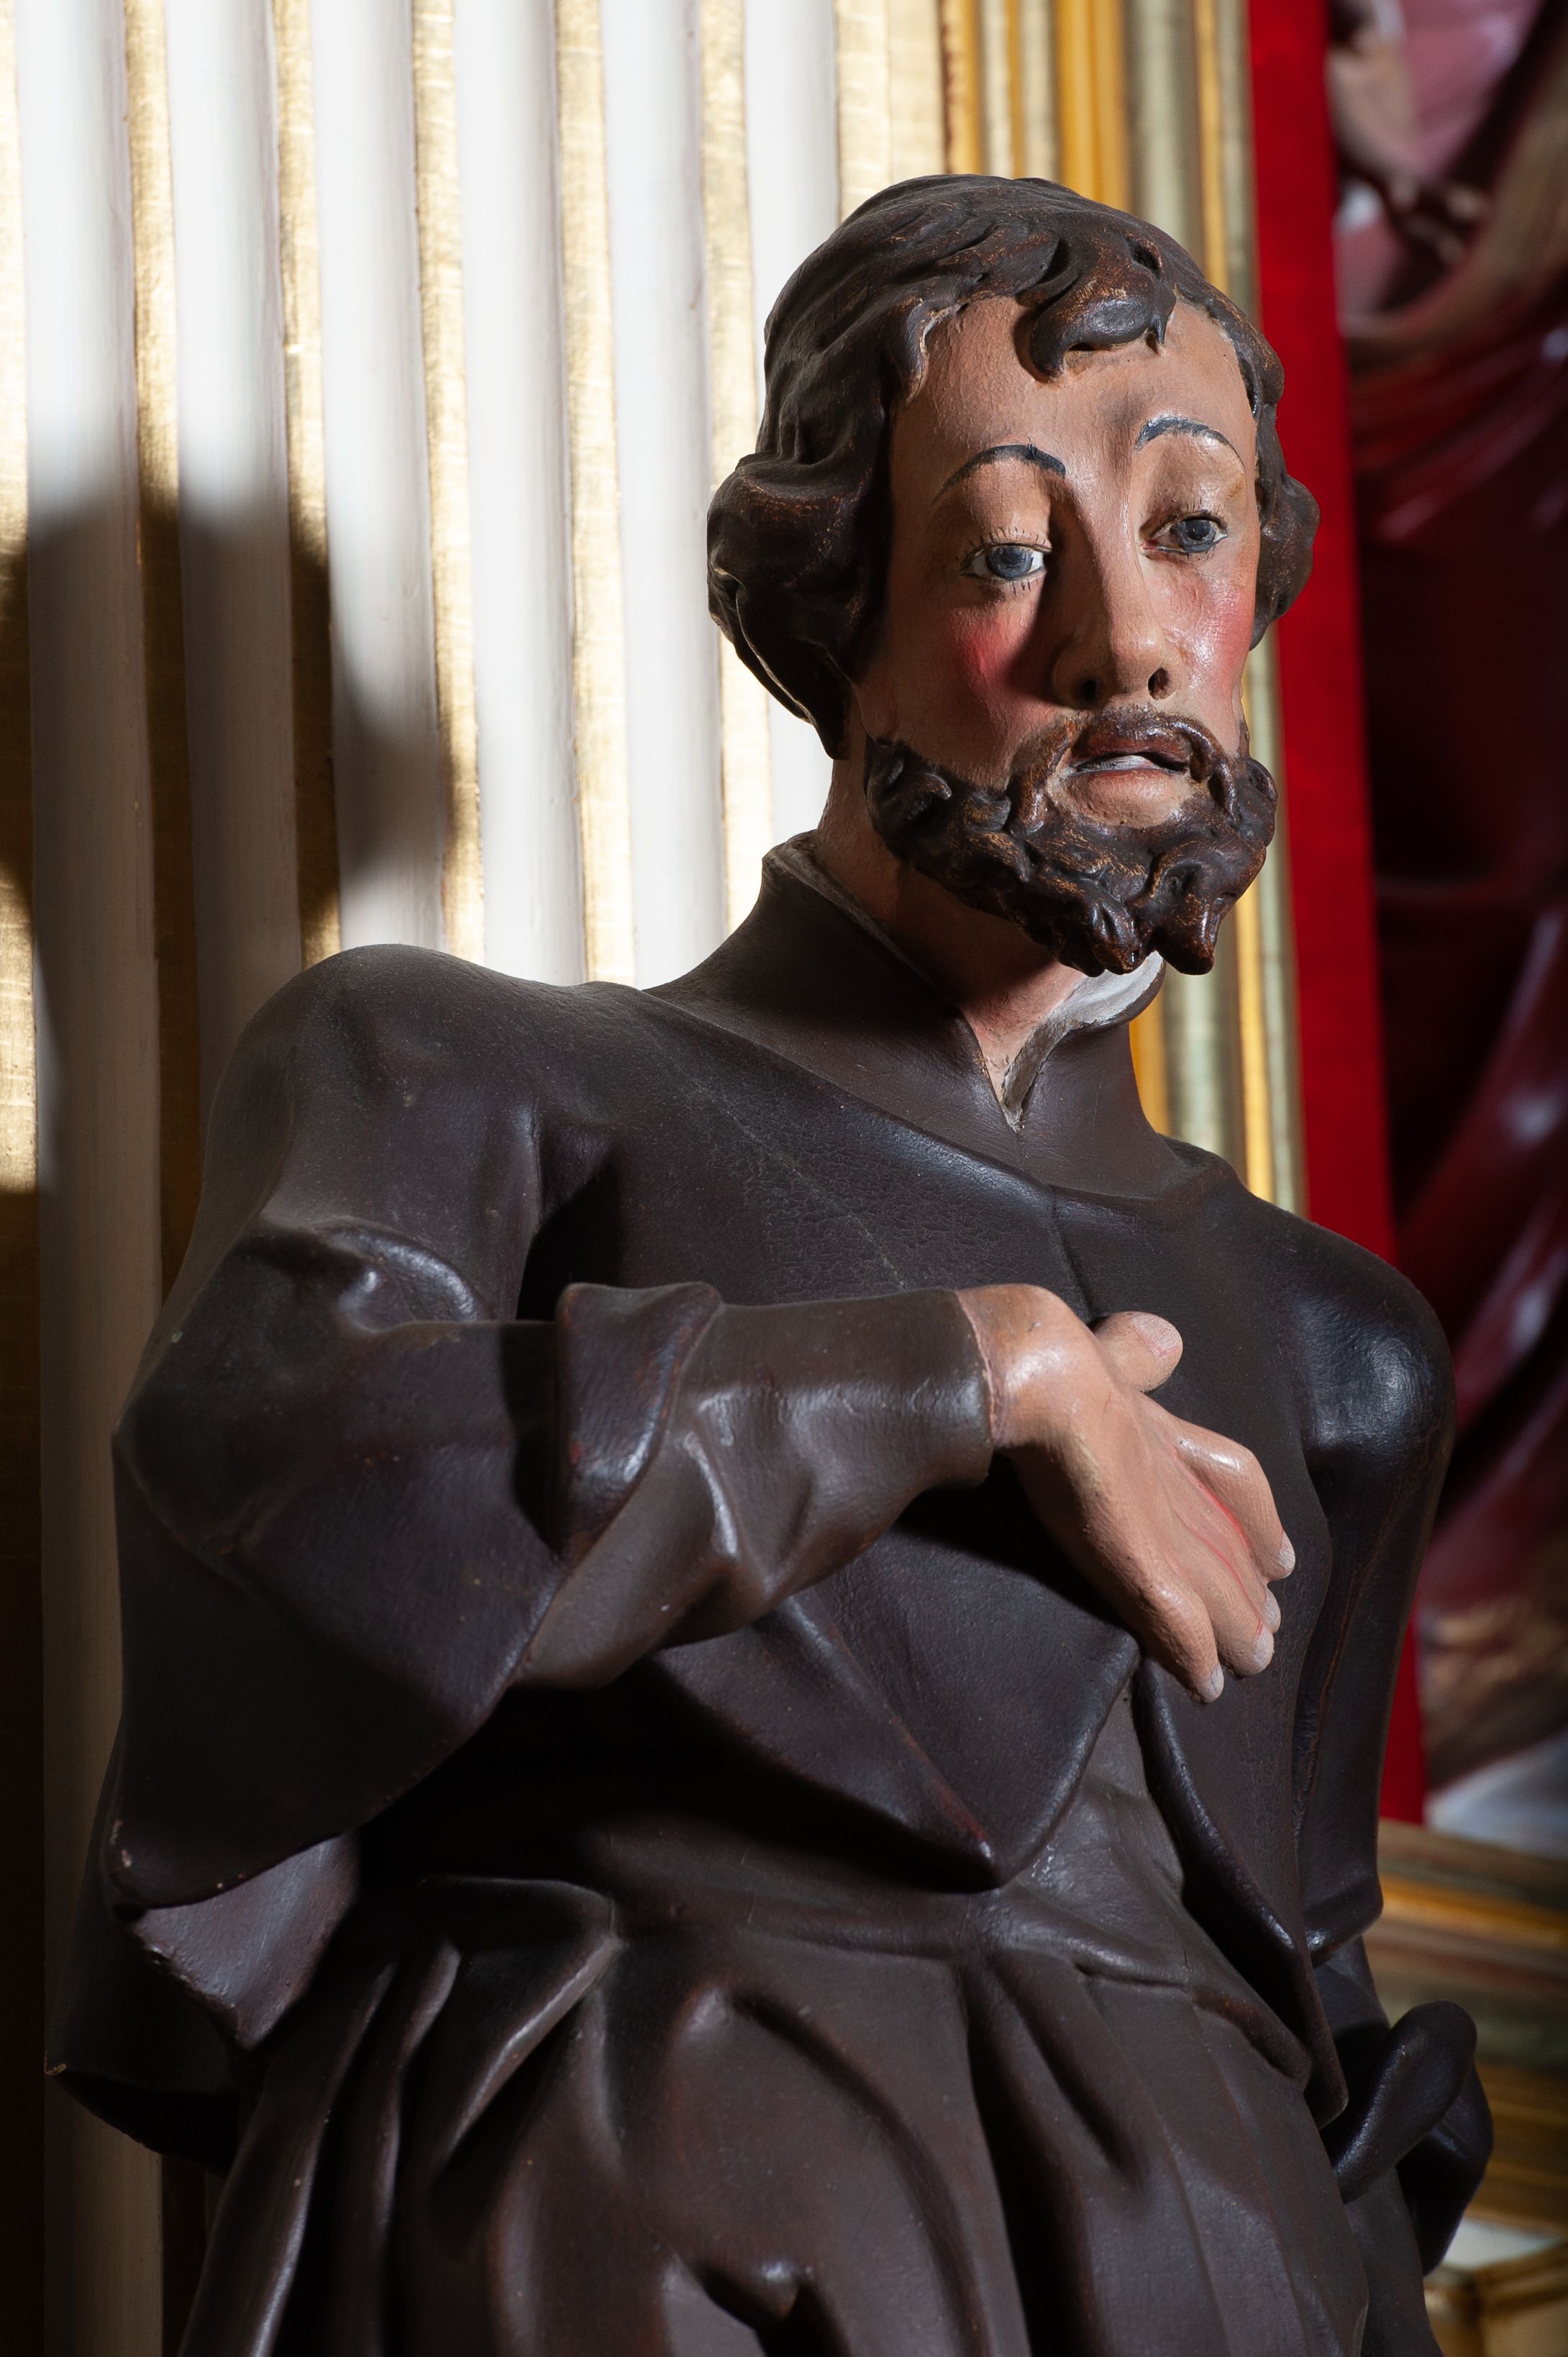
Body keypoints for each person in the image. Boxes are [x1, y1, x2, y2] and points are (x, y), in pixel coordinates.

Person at [53, 178, 1487, 2356]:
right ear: (837, 612)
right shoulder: (461, 1067)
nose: (1126, 641)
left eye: (1190, 529)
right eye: (1004, 551)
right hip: (650, 2208)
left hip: (1207, 2266)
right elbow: (278, 1496)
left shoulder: (1338, 1342)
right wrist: (970, 1373)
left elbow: (1320, 1994)